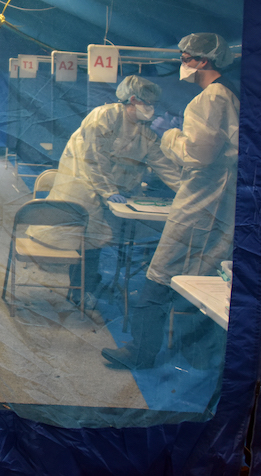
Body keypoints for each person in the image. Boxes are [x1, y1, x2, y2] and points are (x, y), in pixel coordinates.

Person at [103, 32, 239, 370]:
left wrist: (170, 134)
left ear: (202, 61)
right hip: (215, 203)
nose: (182, 63)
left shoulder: (210, 98)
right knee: (194, 283)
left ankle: (142, 353)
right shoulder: (227, 97)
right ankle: (191, 354)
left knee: (158, 278)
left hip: (201, 206)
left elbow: (197, 155)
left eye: (184, 57)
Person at [27, 75, 181, 305]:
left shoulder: (144, 132)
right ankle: (80, 291)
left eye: (153, 104)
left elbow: (163, 164)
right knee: (84, 239)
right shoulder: (104, 116)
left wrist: (186, 191)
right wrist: (108, 190)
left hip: (110, 192)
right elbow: (92, 158)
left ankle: (90, 287)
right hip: (81, 184)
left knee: (97, 240)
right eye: (147, 103)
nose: (151, 109)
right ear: (132, 99)